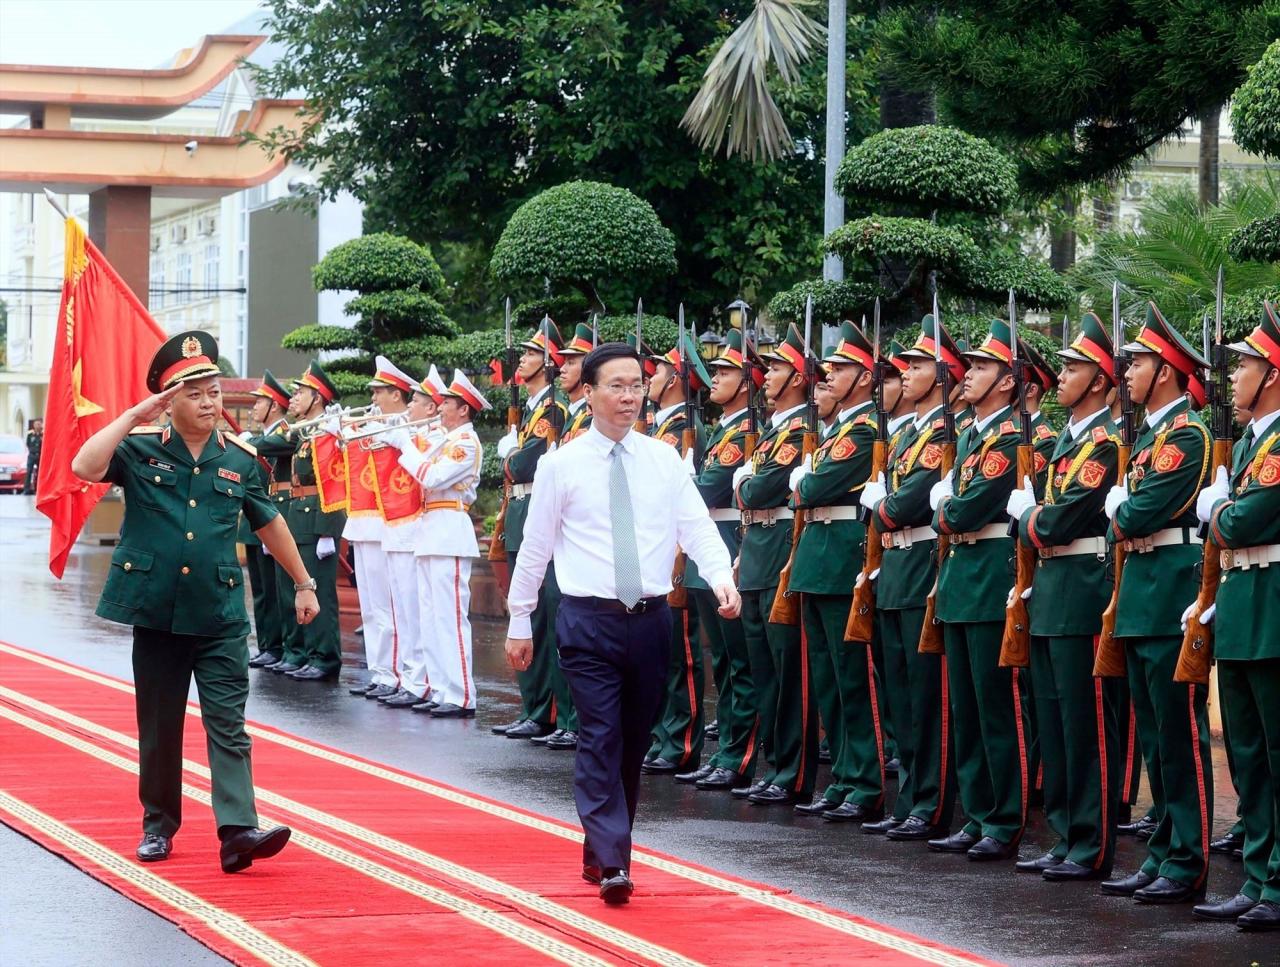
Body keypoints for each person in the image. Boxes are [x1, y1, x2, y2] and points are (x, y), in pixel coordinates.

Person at [70, 330, 315, 873]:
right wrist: (136, 415)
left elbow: (268, 523)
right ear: (169, 401)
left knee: (228, 724)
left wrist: (304, 583)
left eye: (215, 392)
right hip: (157, 612)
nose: (210, 403)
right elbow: (84, 467)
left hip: (220, 612)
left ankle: (237, 832)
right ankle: (158, 824)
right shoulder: (137, 451)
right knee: (160, 726)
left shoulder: (242, 460)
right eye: (196, 394)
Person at [505, 342, 739, 905]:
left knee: (632, 741)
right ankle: (613, 859)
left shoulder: (662, 460)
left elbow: (696, 525)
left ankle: (602, 846)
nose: (629, 395)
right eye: (616, 385)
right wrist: (520, 618)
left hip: (650, 620)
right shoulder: (560, 465)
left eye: (636, 384)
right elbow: (534, 550)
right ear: (588, 394)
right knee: (601, 735)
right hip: (587, 620)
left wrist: (720, 572)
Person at [1099, 304, 1213, 904]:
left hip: (1168, 592)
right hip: (1142, 594)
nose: (1129, 370)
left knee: (1178, 735)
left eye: (1139, 361)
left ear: (1165, 370)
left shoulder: (1187, 437)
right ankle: (1164, 847)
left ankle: (1187, 856)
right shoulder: (1148, 437)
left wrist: (1119, 508)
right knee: (1153, 738)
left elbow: (1138, 514)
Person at [1007, 312, 1122, 883]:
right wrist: (1034, 519)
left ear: (1100, 380)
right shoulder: (1063, 445)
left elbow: (1061, 521)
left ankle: (1090, 840)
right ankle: (1063, 831)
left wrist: (1027, 514)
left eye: (1075, 366)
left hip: (1080, 591)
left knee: (1085, 725)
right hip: (1048, 590)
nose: (1063, 375)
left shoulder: (1105, 446)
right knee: (1052, 721)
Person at [1191, 302, 1280, 931]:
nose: (1234, 375)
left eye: (1246, 363)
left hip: (1273, 604)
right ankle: (1257, 876)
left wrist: (1216, 511)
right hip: (1245, 605)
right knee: (1247, 755)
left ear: (1272, 373)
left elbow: (1246, 520)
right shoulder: (1251, 441)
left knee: (1276, 754)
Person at [927, 319, 1029, 861]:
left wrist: (943, 506)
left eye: (983, 367)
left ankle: (1004, 817)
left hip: (990, 576)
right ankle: (978, 811)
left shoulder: (1011, 438)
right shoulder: (971, 436)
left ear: (1009, 381)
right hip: (962, 577)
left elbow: (967, 508)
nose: (968, 375)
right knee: (964, 707)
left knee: (995, 707)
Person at [859, 315, 962, 842]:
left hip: (922, 563)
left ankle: (931, 801)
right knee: (899, 694)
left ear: (945, 376)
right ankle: (911, 797)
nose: (908, 372)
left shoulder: (945, 433)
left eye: (920, 365)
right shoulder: (909, 436)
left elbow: (909, 502)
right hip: (896, 570)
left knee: (927, 699)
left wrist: (883, 508)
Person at [789, 321, 886, 825]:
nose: (828, 376)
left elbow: (814, 488)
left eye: (842, 369)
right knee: (827, 680)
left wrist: (804, 481)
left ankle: (866, 780)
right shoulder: (840, 430)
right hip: (816, 559)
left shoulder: (865, 431)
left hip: (841, 560)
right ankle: (846, 775)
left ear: (866, 378)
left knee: (852, 680)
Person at [680, 329, 761, 792]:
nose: (716, 377)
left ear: (747, 382)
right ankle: (728, 748)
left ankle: (739, 754)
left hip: (730, 545)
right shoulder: (727, 431)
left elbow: (707, 490)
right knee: (726, 663)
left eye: (728, 371)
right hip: (711, 545)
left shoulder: (745, 433)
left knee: (739, 661)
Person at [492, 321, 571, 740]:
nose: (521, 359)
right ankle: (535, 707)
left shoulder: (554, 410)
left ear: (549, 362)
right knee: (525, 614)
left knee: (545, 619)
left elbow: (522, 466)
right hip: (520, 513)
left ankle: (549, 710)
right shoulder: (534, 410)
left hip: (537, 514)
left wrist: (510, 456)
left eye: (530, 353)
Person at [641, 332, 711, 776]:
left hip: (677, 552)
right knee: (658, 652)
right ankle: (661, 732)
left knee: (682, 651)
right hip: (652, 549)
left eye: (659, 369)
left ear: (676, 380)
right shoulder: (657, 427)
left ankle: (681, 740)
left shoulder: (686, 429)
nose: (650, 376)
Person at [258, 362, 348, 681]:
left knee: (318, 591)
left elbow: (332, 481)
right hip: (298, 516)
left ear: (318, 398)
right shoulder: (306, 432)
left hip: (317, 521)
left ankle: (324, 656)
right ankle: (301, 652)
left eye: (301, 393)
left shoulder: (326, 430)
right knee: (291, 589)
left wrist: (327, 530)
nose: (294, 397)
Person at [343, 357, 410, 701]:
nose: (374, 399)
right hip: (363, 522)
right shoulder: (375, 425)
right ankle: (381, 670)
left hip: (387, 523)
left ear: (396, 394)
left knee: (388, 607)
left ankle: (396, 674)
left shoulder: (406, 427)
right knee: (370, 608)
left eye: (380, 392)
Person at [240, 371, 290, 669]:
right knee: (260, 590)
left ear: (274, 405)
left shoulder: (284, 432)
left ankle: (280, 645)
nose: (253, 408)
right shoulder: (263, 437)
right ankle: (268, 644)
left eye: (259, 402)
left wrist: (252, 442)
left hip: (272, 518)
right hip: (251, 520)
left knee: (275, 589)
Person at [24, 418, 43, 493]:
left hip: (40, 456)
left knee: (39, 473)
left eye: (39, 424)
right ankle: (26, 489)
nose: (38, 426)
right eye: (36, 424)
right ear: (34, 425)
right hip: (31, 455)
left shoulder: (43, 435)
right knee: (29, 472)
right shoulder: (30, 435)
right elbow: (28, 444)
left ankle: (38, 489)